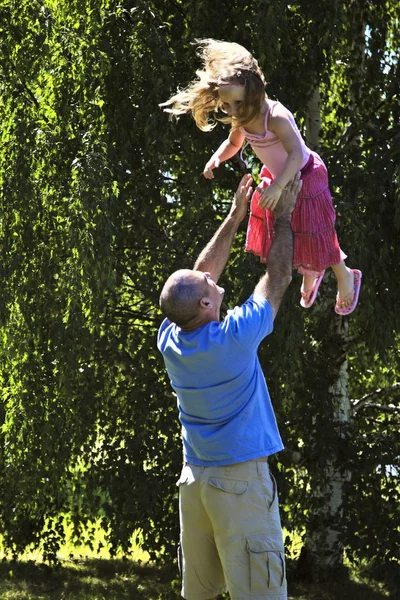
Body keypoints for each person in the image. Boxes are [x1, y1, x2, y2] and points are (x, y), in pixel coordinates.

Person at [158, 172, 302, 600]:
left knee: (198, 595)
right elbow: (278, 279)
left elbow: (195, 278)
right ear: (205, 304)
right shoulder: (234, 337)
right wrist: (286, 215)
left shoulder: (171, 336)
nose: (212, 278)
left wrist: (237, 214)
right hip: (239, 482)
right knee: (260, 593)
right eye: (209, 286)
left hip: (197, 482)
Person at [160, 39, 362, 315]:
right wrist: (217, 158)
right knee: (291, 229)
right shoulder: (242, 118)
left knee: (318, 231)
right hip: (280, 177)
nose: (232, 111)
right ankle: (311, 271)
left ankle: (345, 276)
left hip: (304, 175)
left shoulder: (275, 116)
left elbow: (295, 153)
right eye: (227, 105)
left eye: (237, 103)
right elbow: (233, 144)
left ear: (254, 91)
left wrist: (279, 186)